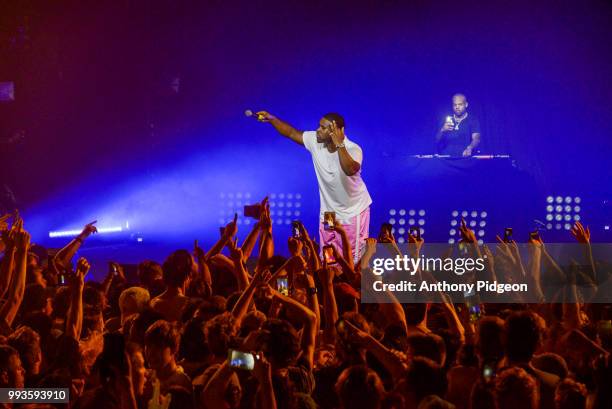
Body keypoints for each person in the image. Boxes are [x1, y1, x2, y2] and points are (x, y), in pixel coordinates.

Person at [256, 111, 372, 262]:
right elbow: (291, 132)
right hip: (329, 212)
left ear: (337, 132)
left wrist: (339, 145)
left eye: (323, 128)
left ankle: (349, 285)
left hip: (352, 212)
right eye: (319, 126)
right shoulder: (316, 141)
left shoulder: (353, 149)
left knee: (352, 257)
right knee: (328, 256)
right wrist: (272, 119)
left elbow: (350, 169)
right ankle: (330, 284)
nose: (318, 130)